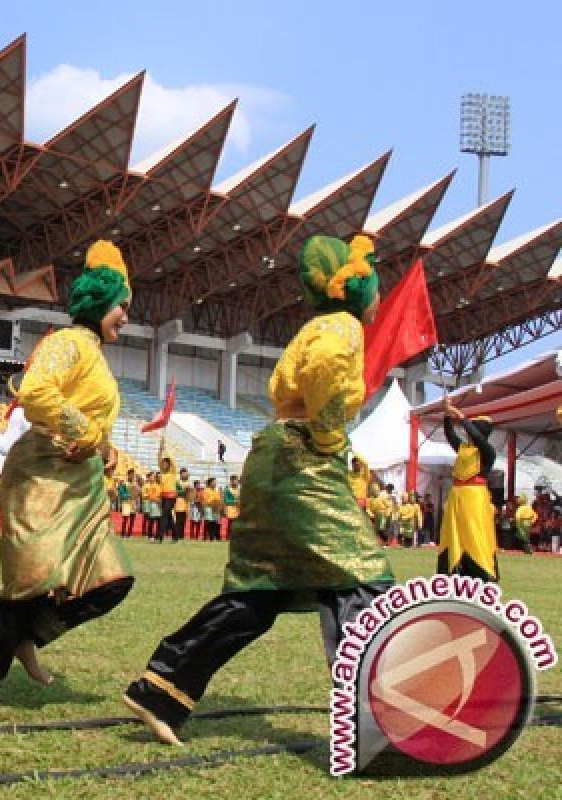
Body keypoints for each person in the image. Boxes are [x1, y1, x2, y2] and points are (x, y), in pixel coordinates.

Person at [123, 233, 393, 745]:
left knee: (259, 591)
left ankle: (162, 688)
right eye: (378, 286)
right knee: (361, 580)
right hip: (305, 462)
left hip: (274, 459)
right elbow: (325, 370)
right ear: (357, 289)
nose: (381, 298)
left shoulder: (316, 326)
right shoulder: (343, 328)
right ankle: (374, 724)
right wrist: (332, 435)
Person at [0, 240, 135, 713]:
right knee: (35, 580)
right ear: (98, 304)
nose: (126, 317)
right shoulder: (67, 343)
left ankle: (27, 635)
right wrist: (88, 431)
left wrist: (104, 446)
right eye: (122, 307)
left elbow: (92, 425)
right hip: (43, 476)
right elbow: (35, 392)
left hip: (81, 484)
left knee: (109, 583)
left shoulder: (95, 355)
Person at [437, 396, 498, 581]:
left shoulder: (487, 451)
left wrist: (460, 416)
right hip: (457, 496)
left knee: (474, 533)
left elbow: (478, 438)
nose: (470, 433)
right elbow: (450, 435)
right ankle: (453, 570)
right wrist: (447, 414)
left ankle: (481, 572)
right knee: (453, 533)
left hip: (475, 497)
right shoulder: (464, 449)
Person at [222, 474, 240, 538]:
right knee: (231, 524)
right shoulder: (228, 490)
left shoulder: (239, 490)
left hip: (238, 509)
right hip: (230, 509)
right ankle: (229, 537)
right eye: (236, 480)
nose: (237, 482)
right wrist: (235, 502)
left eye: (237, 480)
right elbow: (226, 500)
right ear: (231, 481)